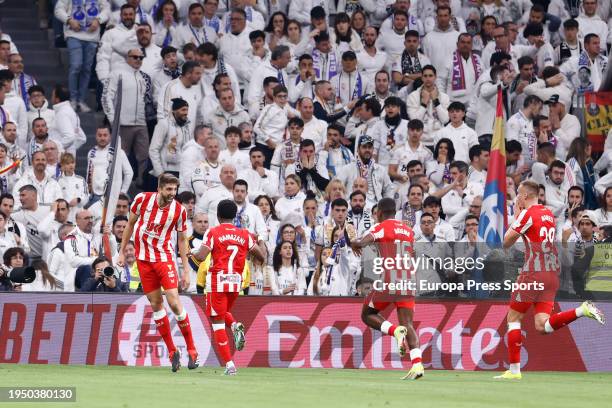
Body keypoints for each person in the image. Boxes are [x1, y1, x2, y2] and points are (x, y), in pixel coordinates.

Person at [495, 180, 605, 380]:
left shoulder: (528, 213)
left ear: (526, 196)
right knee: (542, 326)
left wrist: (518, 216)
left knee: (513, 319)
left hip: (533, 273)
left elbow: (506, 242)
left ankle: (514, 371)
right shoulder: (548, 214)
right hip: (552, 274)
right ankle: (582, 310)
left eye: (519, 193)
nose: (517, 197)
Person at [117, 173, 198, 372]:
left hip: (164, 259)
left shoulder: (179, 211)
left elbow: (181, 241)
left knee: (174, 301)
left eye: (175, 190)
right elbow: (130, 224)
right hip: (144, 260)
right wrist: (121, 251)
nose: (172, 193)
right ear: (160, 188)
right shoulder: (142, 199)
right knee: (156, 305)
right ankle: (172, 352)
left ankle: (192, 350)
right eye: (169, 189)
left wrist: (186, 270)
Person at [351, 197, 424, 380]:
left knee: (367, 314)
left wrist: (353, 241)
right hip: (408, 281)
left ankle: (394, 331)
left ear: (379, 213)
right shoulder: (408, 231)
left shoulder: (381, 227)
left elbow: (362, 242)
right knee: (408, 324)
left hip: (390, 280)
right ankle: (417, 365)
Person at [191, 199, 266, 375]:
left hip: (217, 281)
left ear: (217, 215)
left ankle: (229, 365)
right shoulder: (245, 234)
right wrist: (260, 239)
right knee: (222, 313)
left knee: (217, 323)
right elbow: (261, 256)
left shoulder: (213, 232)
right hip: (235, 283)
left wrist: (193, 252)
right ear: (235, 216)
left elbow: (201, 257)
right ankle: (233, 326)